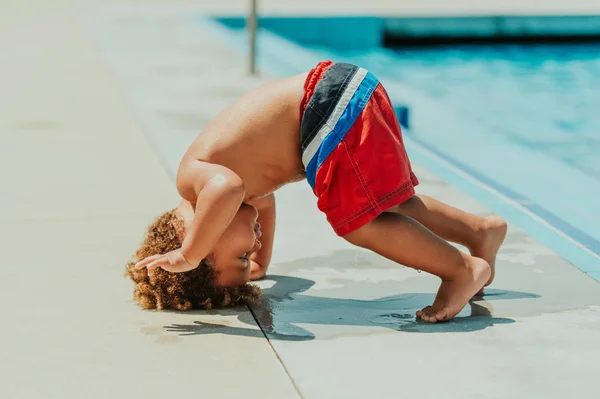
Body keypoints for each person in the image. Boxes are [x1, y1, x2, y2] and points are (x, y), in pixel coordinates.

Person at [128, 61, 507, 323]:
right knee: (390, 203)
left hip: (326, 107)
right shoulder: (229, 189)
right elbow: (265, 202)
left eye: (243, 254)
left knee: (357, 224)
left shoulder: (196, 180)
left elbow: (229, 189)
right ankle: (478, 231)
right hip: (343, 92)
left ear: (204, 238)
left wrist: (188, 255)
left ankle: (460, 270)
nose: (254, 246)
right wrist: (264, 263)